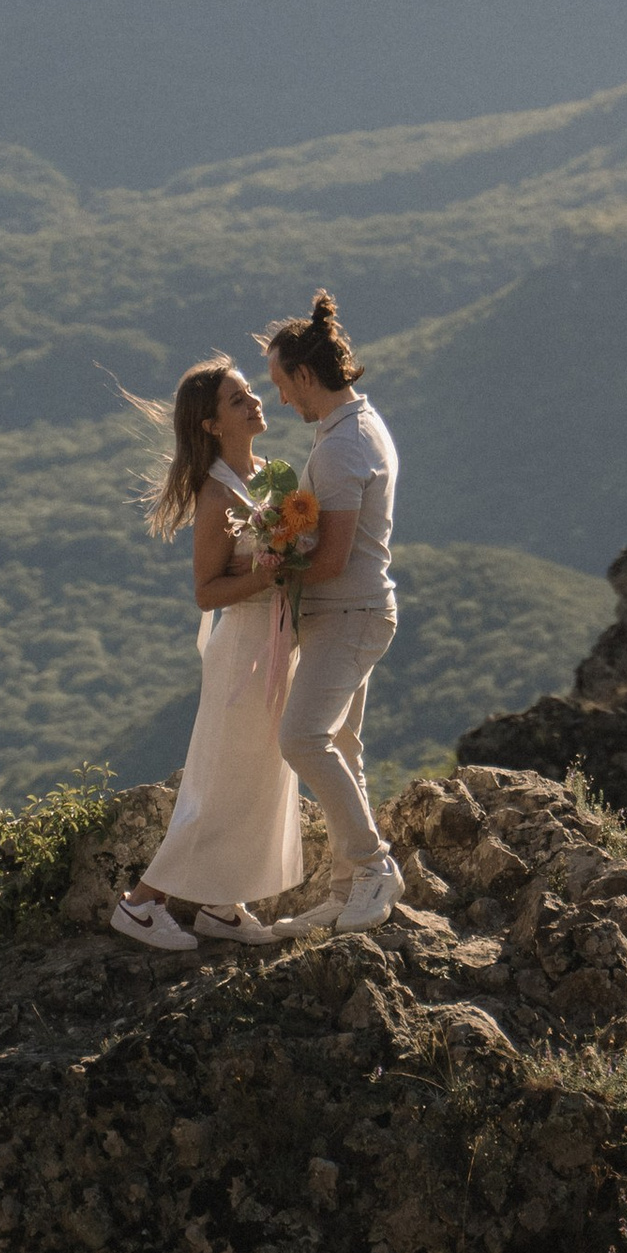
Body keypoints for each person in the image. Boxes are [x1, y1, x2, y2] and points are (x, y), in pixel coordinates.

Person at [112, 355, 305, 950]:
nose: (255, 402)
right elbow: (205, 592)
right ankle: (142, 904)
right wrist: (268, 574)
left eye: (250, 392)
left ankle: (223, 902)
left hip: (278, 642)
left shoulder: (269, 476)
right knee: (221, 780)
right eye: (238, 399)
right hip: (243, 648)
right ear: (212, 425)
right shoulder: (218, 495)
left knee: (259, 774)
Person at [260, 290, 405, 933]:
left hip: (348, 614)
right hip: (354, 614)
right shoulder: (355, 428)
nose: (280, 400)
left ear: (304, 375)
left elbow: (333, 559)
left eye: (281, 384)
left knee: (302, 739)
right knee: (343, 744)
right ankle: (347, 889)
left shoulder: (342, 447)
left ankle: (375, 868)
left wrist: (269, 569)